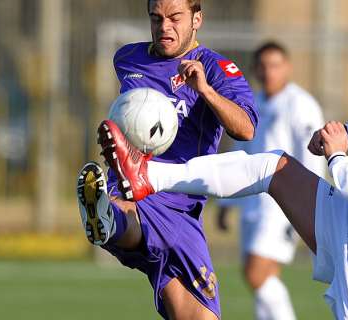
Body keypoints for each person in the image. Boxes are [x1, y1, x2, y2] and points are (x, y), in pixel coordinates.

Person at [95, 32, 348, 319]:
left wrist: (338, 154)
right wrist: (346, 134)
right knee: (274, 166)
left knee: (260, 270)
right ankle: (148, 175)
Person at [76, 0, 258, 319]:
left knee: (198, 317)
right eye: (156, 18)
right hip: (134, 182)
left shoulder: (214, 68)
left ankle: (110, 219)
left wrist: (206, 91)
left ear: (196, 19)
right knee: (131, 210)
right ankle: (109, 216)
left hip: (181, 202)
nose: (164, 27)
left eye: (175, 18)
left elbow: (246, 129)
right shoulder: (128, 58)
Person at [216, 41, 325, 320]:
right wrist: (225, 202)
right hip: (252, 202)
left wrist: (308, 205)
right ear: (255, 69)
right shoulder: (253, 102)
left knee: (257, 271)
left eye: (275, 65)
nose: (269, 72)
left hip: (283, 204)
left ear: (287, 67)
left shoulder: (300, 104)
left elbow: (312, 156)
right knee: (260, 275)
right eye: (263, 66)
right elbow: (239, 151)